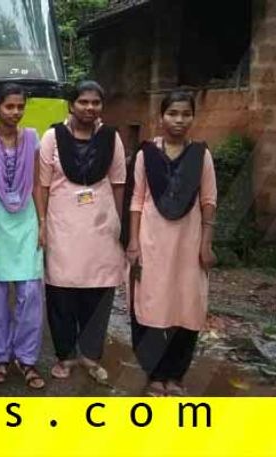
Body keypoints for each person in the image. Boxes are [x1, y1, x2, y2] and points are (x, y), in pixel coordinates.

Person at [126, 91, 217, 396]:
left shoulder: (201, 155)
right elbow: (137, 201)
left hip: (188, 245)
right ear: (161, 116)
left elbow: (208, 201)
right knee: (149, 306)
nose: (179, 120)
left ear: (193, 117)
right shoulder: (146, 155)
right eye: (173, 114)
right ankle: (154, 375)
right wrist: (134, 243)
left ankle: (175, 376)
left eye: (185, 114)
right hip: (152, 241)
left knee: (186, 308)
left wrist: (206, 243)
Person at [37, 80, 126, 383]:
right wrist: (41, 224)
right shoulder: (52, 137)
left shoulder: (111, 139)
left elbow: (118, 184)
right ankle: (65, 356)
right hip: (62, 226)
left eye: (95, 103)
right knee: (61, 293)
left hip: (100, 229)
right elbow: (43, 185)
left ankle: (90, 356)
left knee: (98, 292)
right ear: (71, 105)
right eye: (83, 102)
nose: (89, 108)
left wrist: (120, 227)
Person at [0, 83, 46, 390]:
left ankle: (27, 358)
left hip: (26, 219)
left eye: (20, 107)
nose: (15, 112)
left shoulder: (32, 137)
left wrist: (43, 222)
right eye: (9, 107)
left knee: (30, 292)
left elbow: (36, 183)